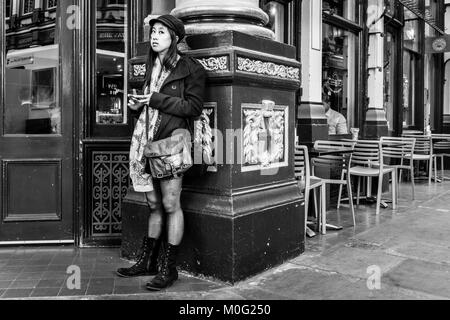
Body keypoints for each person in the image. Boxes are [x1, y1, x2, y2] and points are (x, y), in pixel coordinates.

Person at [116, 14, 206, 291]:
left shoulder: (191, 68)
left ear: (175, 38)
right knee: (153, 205)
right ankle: (148, 261)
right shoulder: (150, 65)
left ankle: (169, 268)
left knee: (170, 205)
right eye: (153, 31)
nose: (155, 36)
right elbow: (149, 108)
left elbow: (193, 108)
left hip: (169, 147)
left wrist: (153, 99)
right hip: (144, 143)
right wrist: (136, 107)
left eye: (162, 33)